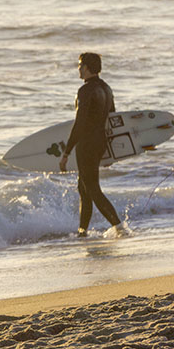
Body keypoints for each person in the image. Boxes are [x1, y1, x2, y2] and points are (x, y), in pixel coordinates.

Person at [59, 53, 122, 237]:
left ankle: (119, 228)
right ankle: (82, 232)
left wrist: (66, 152)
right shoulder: (107, 89)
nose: (78, 69)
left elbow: (80, 123)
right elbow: (112, 120)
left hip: (86, 144)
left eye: (80, 66)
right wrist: (110, 151)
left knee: (92, 188)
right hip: (100, 142)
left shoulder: (85, 91)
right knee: (84, 188)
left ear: (86, 68)